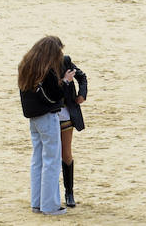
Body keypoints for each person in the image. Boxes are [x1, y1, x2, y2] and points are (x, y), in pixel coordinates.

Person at [18, 35, 71, 216]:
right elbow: (55, 95)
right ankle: (50, 206)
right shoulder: (47, 70)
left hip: (33, 118)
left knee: (37, 160)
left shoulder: (27, 66)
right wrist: (65, 82)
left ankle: (37, 203)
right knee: (51, 161)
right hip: (47, 117)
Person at [58, 52, 88, 209]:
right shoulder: (41, 63)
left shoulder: (65, 61)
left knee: (66, 153)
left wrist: (82, 94)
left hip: (65, 113)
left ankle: (69, 192)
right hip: (46, 113)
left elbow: (82, 77)